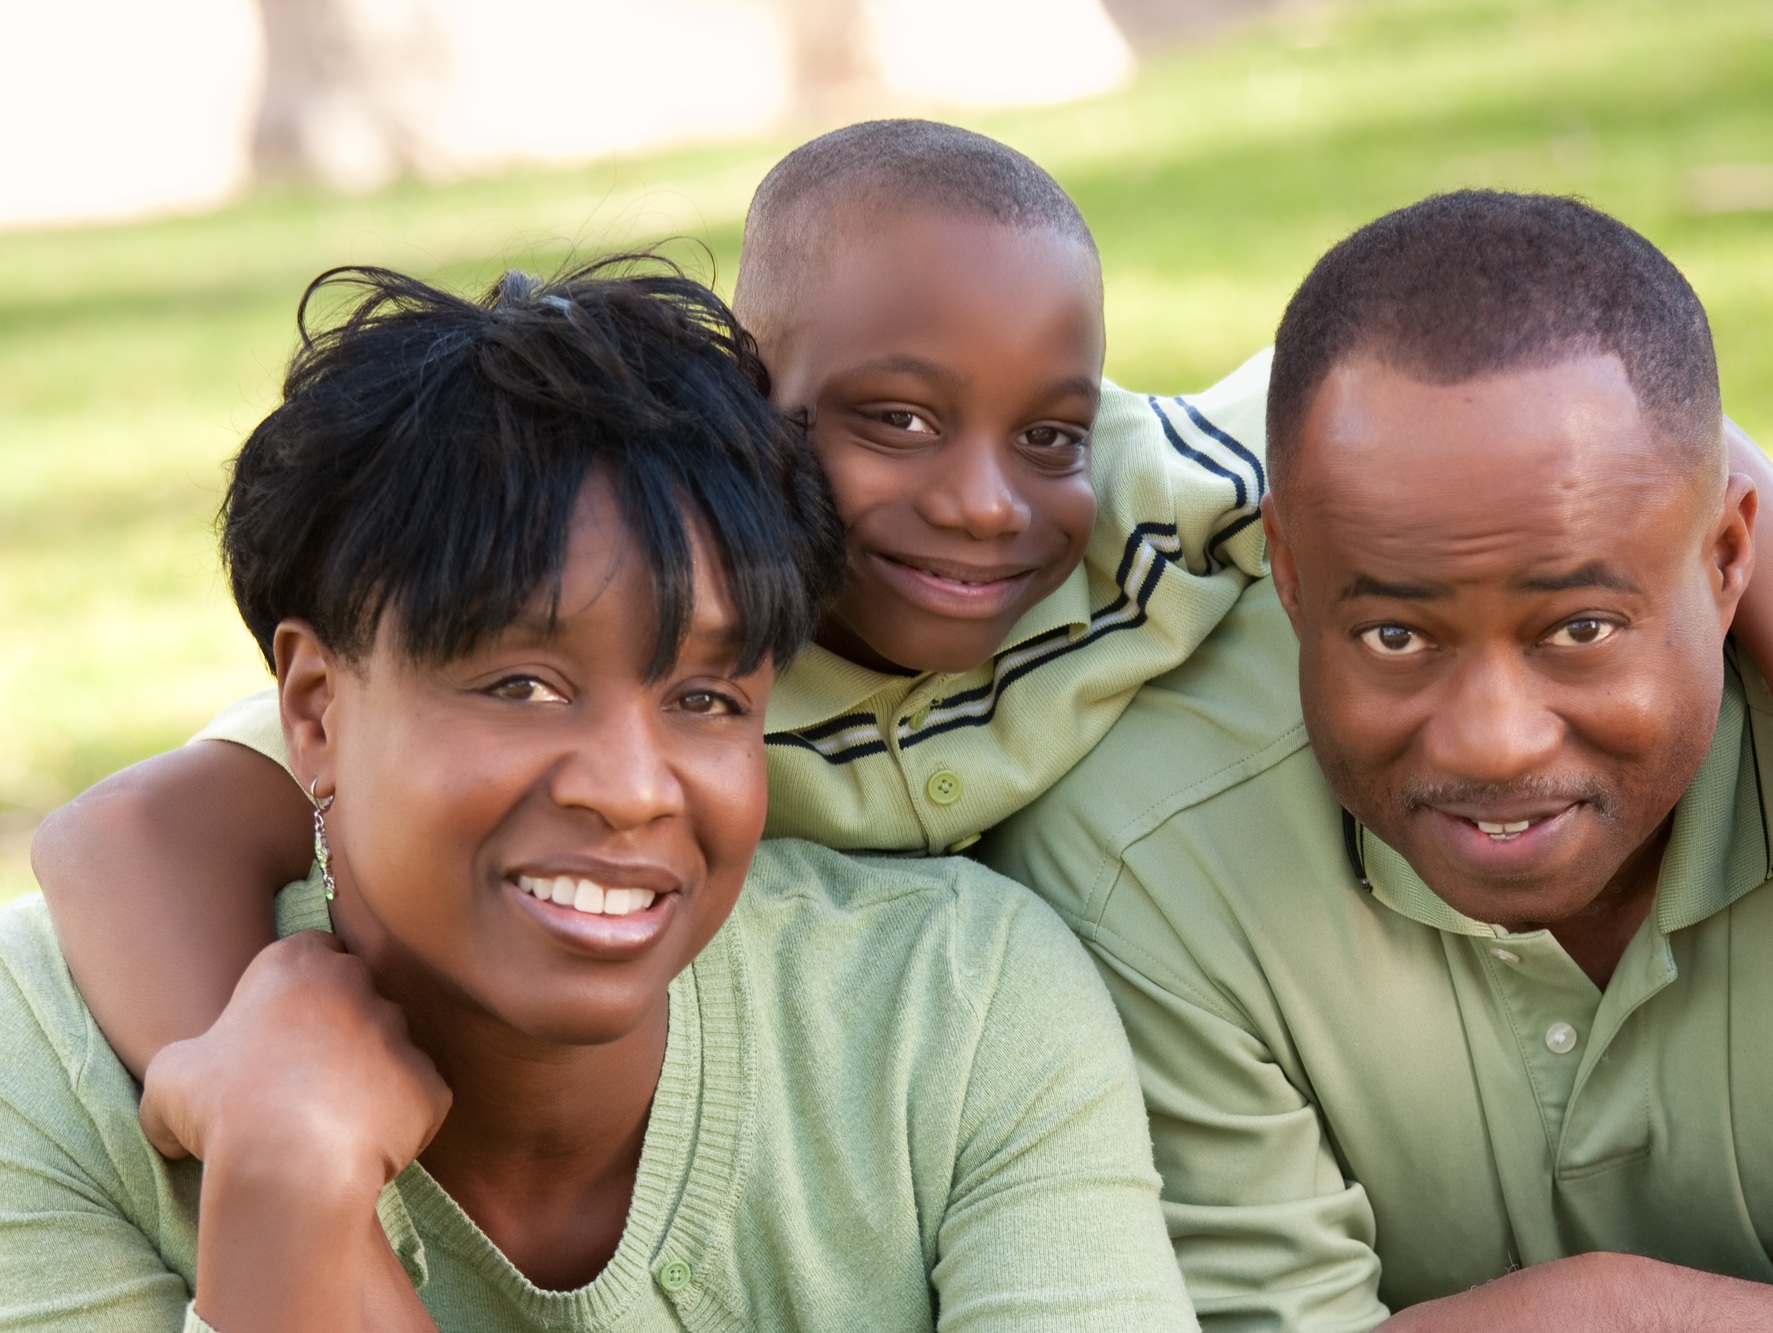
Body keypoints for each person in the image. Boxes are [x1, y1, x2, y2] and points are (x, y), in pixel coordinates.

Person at [31, 122, 1773, 1084]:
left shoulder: (1162, 489)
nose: (980, 503)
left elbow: (1603, 435)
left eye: (1041, 428)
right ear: (742, 391)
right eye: (886, 420)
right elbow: (122, 833)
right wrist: (243, 1062)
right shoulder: (667, 606)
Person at [0, 261, 1196, 1331]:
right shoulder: (44, 1063)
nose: (630, 791)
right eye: (520, 684)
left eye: (706, 698)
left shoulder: (956, 1013)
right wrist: (283, 1196)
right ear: (316, 709)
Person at [982, 191, 1773, 1329]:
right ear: (1290, 572)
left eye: (1577, 630)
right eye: (1395, 636)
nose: (1491, 741)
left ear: (1726, 564)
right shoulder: (1141, 853)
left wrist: (1626, 1317)